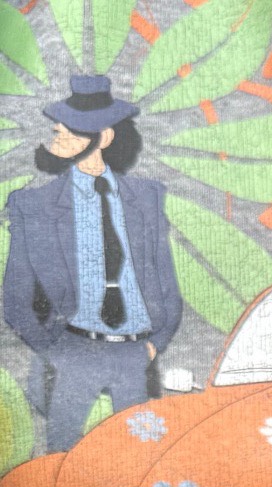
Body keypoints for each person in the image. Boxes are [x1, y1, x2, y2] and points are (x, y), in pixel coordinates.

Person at [2, 75, 181, 453]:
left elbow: (163, 276)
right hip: (73, 350)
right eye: (58, 125)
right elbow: (15, 296)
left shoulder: (146, 197)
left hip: (134, 352)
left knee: (139, 458)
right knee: (63, 459)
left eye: (71, 128)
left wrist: (155, 344)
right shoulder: (34, 205)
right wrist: (53, 350)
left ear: (104, 136)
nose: (58, 133)